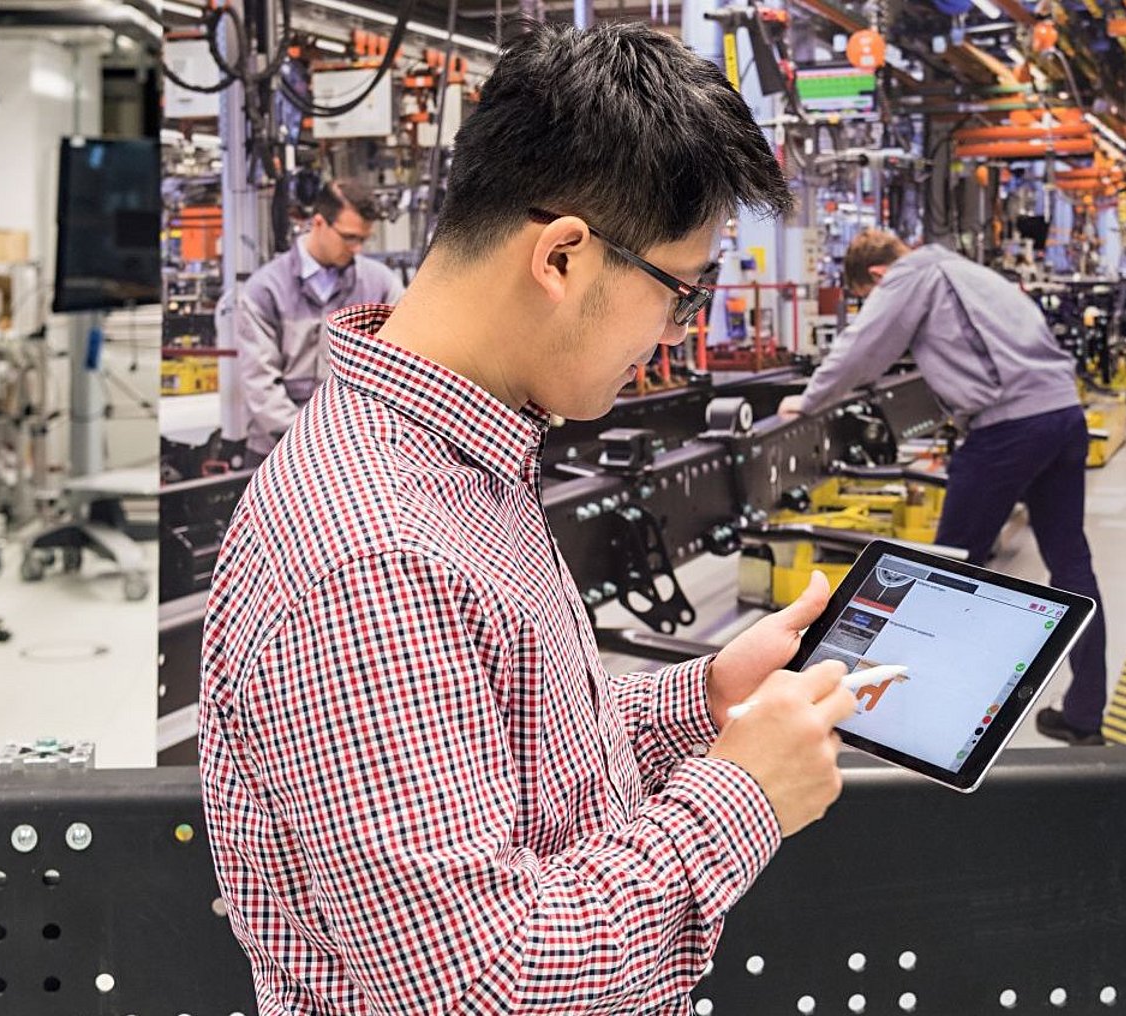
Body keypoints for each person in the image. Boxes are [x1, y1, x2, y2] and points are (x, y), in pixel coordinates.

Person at [198, 21, 857, 1014]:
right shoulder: (373, 557)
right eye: (678, 293)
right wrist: (742, 794)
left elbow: (514, 771)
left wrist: (704, 704)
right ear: (560, 257)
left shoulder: (465, 459)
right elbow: (485, 987)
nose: (675, 333)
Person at [777, 231, 1112, 746]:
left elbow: (864, 348)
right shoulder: (968, 270)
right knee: (1072, 564)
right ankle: (1086, 715)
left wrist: (808, 401)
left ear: (875, 276)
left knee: (944, 573)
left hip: (1007, 428)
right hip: (1063, 415)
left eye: (870, 296)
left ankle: (919, 724)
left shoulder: (910, 276)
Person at [233, 177, 404, 461]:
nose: (357, 249)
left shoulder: (382, 285)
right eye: (350, 238)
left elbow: (399, 367)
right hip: (276, 454)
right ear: (319, 223)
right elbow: (261, 387)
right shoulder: (264, 290)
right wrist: (316, 445)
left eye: (364, 239)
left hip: (358, 453)